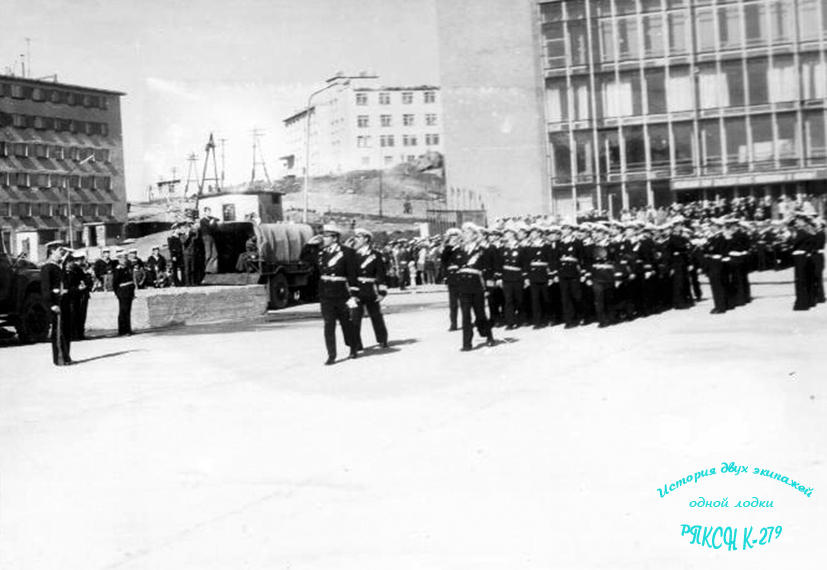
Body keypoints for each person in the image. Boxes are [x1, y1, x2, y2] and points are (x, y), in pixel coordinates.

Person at [316, 224, 360, 365]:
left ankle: (353, 347)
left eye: (326, 236)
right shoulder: (322, 252)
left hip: (341, 293)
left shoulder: (347, 252)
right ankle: (331, 355)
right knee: (329, 324)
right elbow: (305, 258)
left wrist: (354, 294)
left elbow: (352, 275)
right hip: (326, 294)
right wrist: (309, 245)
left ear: (334, 238)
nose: (323, 238)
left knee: (346, 323)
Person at [454, 222, 496, 351]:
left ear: (474, 235)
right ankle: (467, 343)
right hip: (463, 287)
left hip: (477, 286)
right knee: (466, 316)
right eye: (464, 233)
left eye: (468, 233)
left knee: (480, 314)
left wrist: (489, 288)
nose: (465, 235)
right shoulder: (459, 250)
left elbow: (488, 270)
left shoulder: (482, 250)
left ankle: (489, 336)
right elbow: (456, 268)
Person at [350, 228, 390, 350]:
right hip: (357, 289)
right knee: (355, 317)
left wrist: (382, 292)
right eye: (355, 237)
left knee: (376, 316)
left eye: (359, 237)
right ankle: (357, 344)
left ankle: (382, 339)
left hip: (370, 289)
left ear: (366, 239)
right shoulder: (352, 255)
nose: (356, 239)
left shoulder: (376, 255)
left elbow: (381, 275)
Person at [41, 243, 72, 366]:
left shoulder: (57, 267)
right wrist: (51, 304)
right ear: (52, 251)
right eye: (60, 251)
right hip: (55, 303)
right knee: (58, 332)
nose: (62, 253)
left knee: (65, 331)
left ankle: (66, 356)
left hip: (63, 301)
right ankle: (59, 359)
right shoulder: (47, 267)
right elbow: (45, 289)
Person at [67, 251, 93, 340]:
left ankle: (79, 333)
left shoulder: (80, 269)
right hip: (77, 296)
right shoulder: (74, 269)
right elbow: (72, 283)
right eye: (82, 259)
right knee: (78, 315)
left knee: (80, 315)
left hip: (81, 295)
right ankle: (77, 334)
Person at [441, 228, 462, 330]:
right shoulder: (447, 249)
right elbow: (444, 262)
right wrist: (449, 246)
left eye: (456, 237)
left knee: (464, 303)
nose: (454, 239)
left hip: (461, 277)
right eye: (452, 237)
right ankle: (453, 323)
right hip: (451, 278)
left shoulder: (462, 248)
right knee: (453, 303)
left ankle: (467, 321)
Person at [111, 249, 136, 335]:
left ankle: (128, 329)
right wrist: (118, 294)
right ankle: (122, 330)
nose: (125, 260)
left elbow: (131, 281)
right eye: (123, 258)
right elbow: (115, 284)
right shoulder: (118, 269)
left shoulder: (128, 268)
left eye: (125, 258)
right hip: (123, 292)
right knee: (123, 311)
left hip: (129, 291)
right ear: (119, 259)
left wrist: (132, 293)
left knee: (128, 311)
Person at [199, 207, 220, 274]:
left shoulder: (209, 219)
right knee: (208, 253)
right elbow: (209, 226)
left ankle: (212, 269)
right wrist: (212, 222)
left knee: (215, 254)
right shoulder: (203, 220)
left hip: (211, 237)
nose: (209, 213)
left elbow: (217, 219)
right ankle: (206, 269)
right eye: (207, 212)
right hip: (206, 237)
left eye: (209, 212)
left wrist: (213, 219)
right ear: (204, 212)